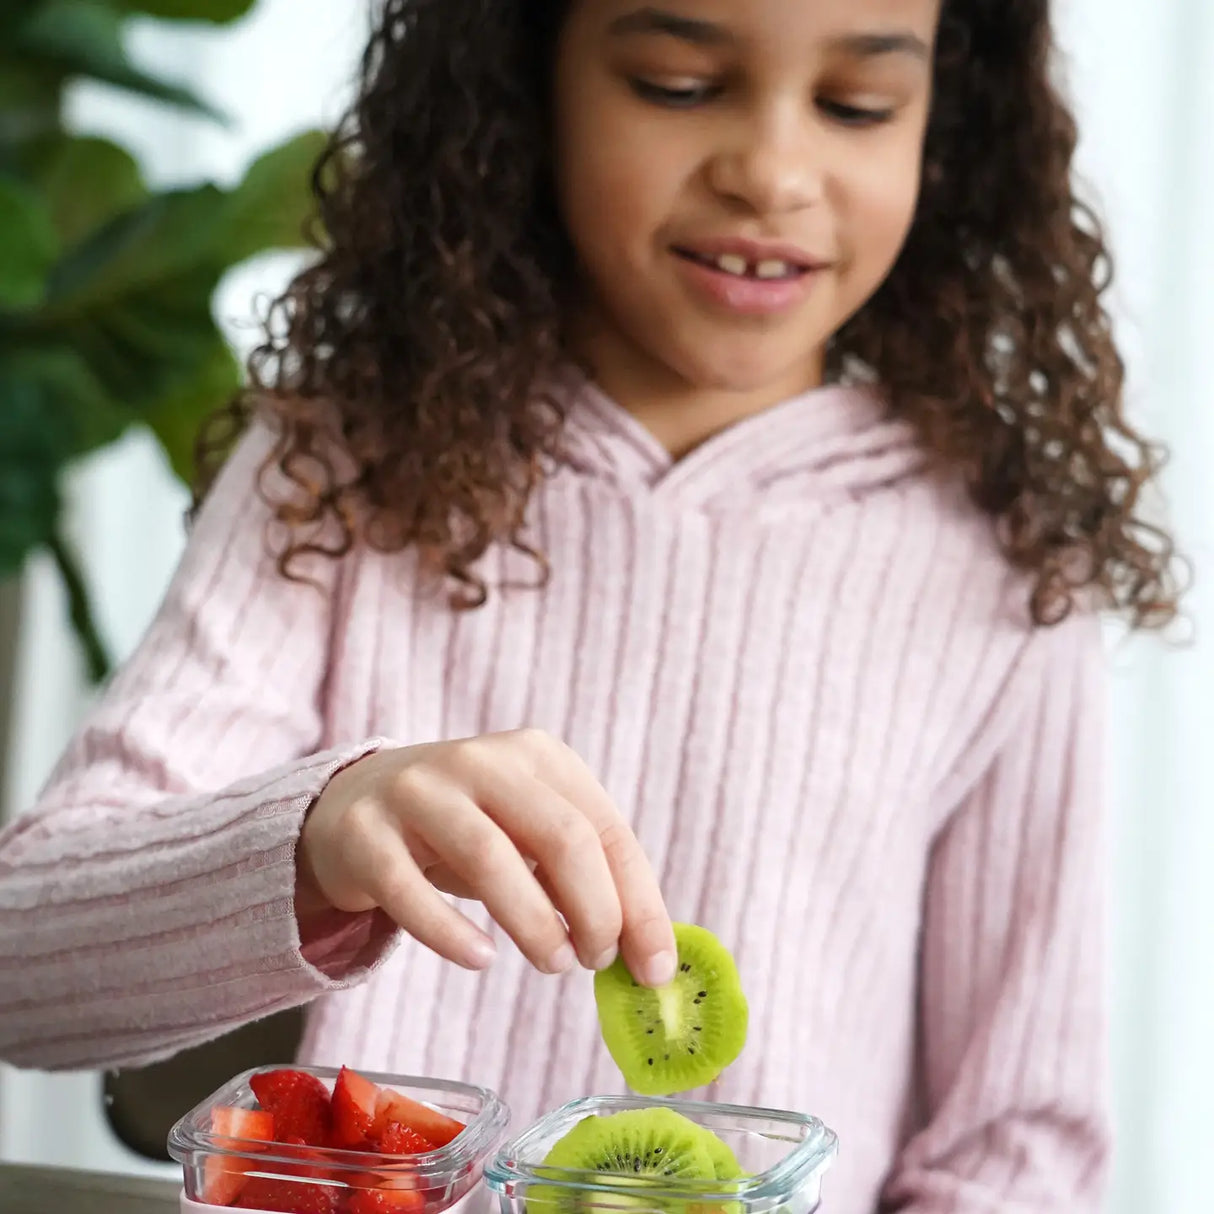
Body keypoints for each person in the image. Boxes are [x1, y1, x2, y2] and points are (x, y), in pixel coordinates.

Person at [0, 0, 1182, 1209]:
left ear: (946, 129)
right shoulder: (334, 467)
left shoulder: (999, 566)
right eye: (675, 83)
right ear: (526, 85)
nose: (771, 172)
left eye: (854, 105)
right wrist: (316, 831)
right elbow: (21, 965)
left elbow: (1016, 1142)